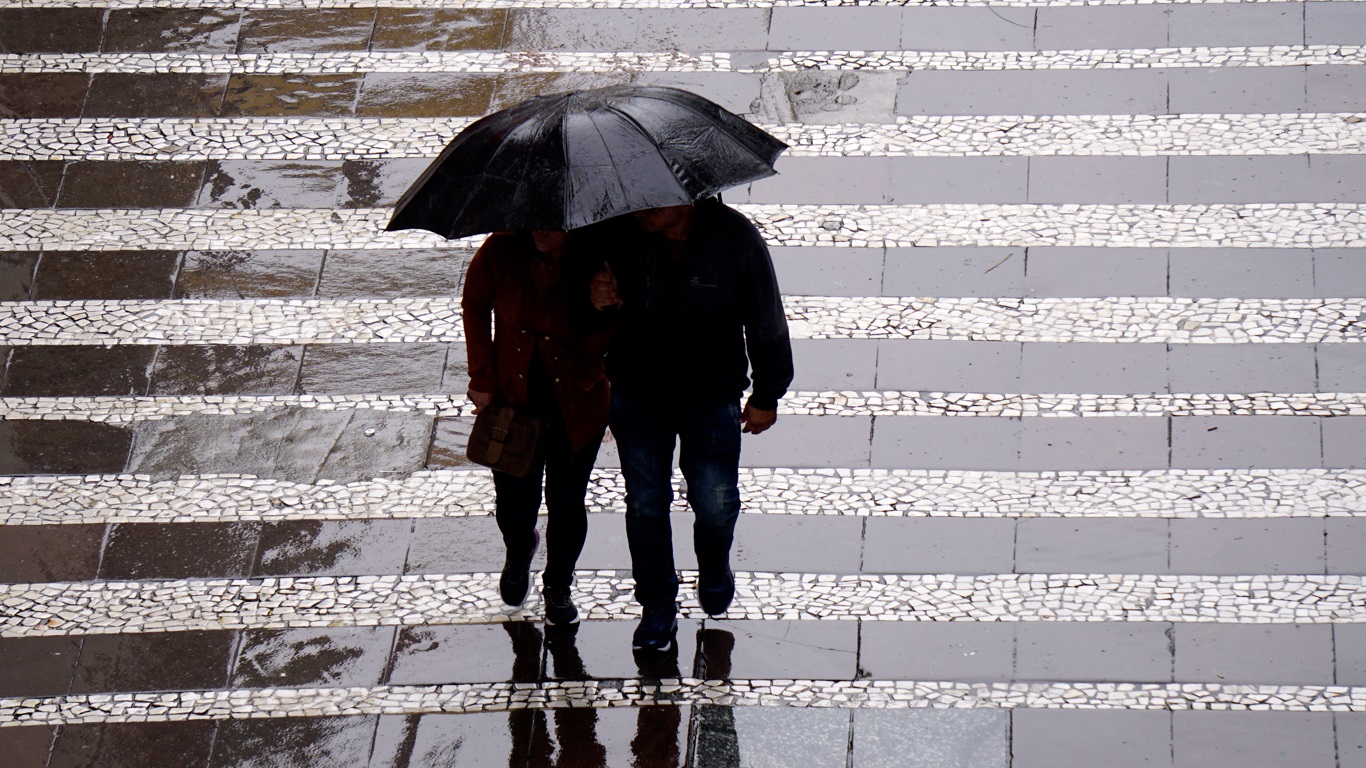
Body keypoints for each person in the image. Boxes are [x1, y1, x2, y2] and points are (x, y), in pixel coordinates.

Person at [589, 198, 794, 651]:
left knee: (717, 505)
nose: (640, 207)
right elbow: (587, 315)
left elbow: (765, 317)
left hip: (712, 396)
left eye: (651, 200)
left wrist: (767, 394)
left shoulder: (734, 237)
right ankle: (657, 606)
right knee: (645, 504)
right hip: (638, 394)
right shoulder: (620, 235)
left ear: (683, 196)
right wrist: (597, 299)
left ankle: (715, 566)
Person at [463, 229, 611, 625]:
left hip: (577, 399)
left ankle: (558, 585)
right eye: (535, 221)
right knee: (514, 503)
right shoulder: (502, 247)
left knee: (567, 501)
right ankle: (518, 548)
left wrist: (605, 307)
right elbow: (475, 305)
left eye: (553, 224)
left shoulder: (601, 253)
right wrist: (481, 376)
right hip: (514, 396)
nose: (542, 231)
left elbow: (621, 329)